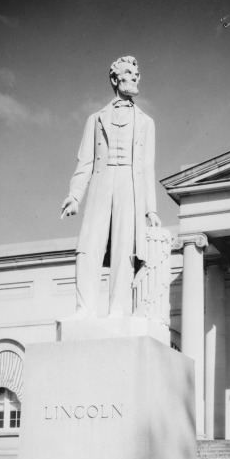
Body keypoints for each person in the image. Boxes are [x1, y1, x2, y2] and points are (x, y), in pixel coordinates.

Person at [60, 56, 161, 319]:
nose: (136, 76)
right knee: (88, 245)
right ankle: (85, 309)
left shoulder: (146, 122)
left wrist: (151, 210)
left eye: (137, 72)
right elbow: (85, 161)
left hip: (130, 184)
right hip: (101, 182)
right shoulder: (95, 119)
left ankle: (118, 309)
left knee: (123, 249)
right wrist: (74, 195)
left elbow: (147, 168)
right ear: (115, 79)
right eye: (129, 72)